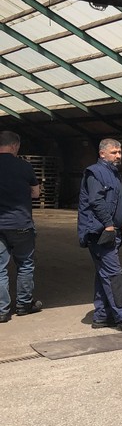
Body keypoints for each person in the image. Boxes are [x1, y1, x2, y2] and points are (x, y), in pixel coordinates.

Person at [77, 138, 122, 333]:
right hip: (100, 232)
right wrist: (108, 224)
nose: (118, 156)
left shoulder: (113, 173)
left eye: (119, 152)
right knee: (114, 273)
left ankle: (102, 315)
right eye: (114, 152)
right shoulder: (95, 173)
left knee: (104, 273)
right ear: (102, 153)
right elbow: (96, 201)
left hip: (112, 231)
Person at [0, 130, 42, 322]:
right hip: (21, 223)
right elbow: (36, 193)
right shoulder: (24, 166)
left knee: (0, 268)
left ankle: (2, 310)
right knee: (25, 264)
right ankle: (24, 305)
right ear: (14, 146)